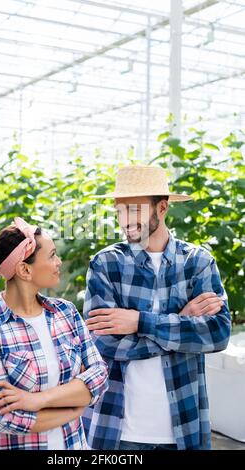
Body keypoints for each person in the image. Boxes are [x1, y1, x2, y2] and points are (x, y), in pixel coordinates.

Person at [83, 165, 231, 450]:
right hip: (119, 429)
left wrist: (140, 322)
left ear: (161, 208)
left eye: (134, 210)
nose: (125, 221)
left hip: (183, 427)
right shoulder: (106, 264)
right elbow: (103, 344)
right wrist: (181, 323)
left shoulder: (197, 262)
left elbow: (217, 333)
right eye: (119, 211)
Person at [0, 217, 108, 450]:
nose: (59, 262)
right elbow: (5, 418)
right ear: (24, 269)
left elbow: (100, 376)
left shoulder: (66, 313)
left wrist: (37, 400)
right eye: (52, 255)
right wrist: (74, 407)